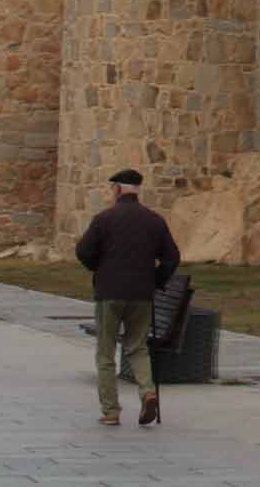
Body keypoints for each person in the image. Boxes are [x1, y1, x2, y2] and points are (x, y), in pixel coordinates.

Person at [73, 169, 180, 427]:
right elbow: (172, 258)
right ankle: (147, 392)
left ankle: (111, 411)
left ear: (118, 189)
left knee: (106, 352)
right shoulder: (154, 220)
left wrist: (98, 267)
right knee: (138, 347)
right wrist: (156, 280)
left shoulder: (105, 218)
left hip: (109, 293)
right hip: (141, 294)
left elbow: (83, 251)